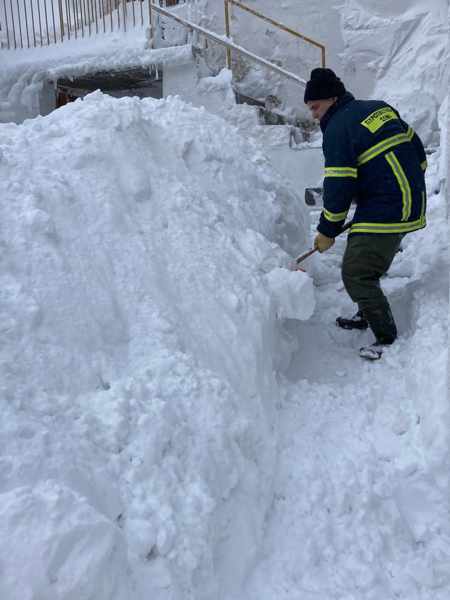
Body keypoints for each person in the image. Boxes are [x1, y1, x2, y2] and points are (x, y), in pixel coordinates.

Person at [304, 68, 427, 360]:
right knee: (365, 258)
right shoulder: (378, 108)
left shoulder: (336, 130)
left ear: (332, 99)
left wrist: (327, 231)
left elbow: (339, 185)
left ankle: (386, 337)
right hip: (404, 199)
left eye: (315, 107)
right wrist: (409, 183)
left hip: (387, 206)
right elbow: (417, 148)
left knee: (356, 272)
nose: (313, 115)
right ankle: (368, 313)